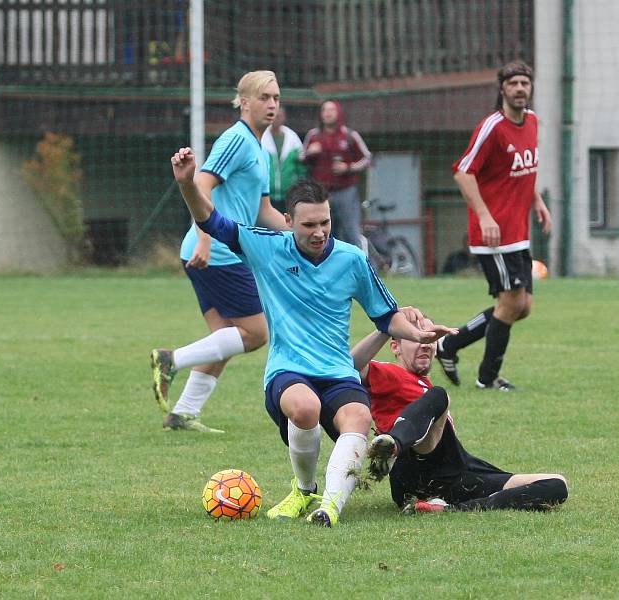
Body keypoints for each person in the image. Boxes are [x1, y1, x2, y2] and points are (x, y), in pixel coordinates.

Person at [168, 160, 456, 527]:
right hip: (288, 371)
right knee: (305, 407)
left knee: (360, 416)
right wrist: (187, 184)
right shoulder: (266, 247)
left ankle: (330, 509)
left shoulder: (352, 259)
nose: (319, 232)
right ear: (287, 221)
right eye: (309, 225)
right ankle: (305, 490)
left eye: (325, 222)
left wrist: (416, 334)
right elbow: (211, 221)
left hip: (337, 374)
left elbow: (386, 315)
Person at [150, 70, 287, 433]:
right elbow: (201, 184)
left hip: (215, 250)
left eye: (275, 98)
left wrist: (298, 234)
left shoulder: (261, 148)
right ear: (244, 102)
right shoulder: (237, 139)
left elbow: (263, 210)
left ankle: (183, 414)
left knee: (223, 341)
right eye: (264, 98)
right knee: (256, 334)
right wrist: (208, 238)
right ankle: (171, 359)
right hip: (217, 251)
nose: (272, 104)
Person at [351, 312, 568, 513]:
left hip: (454, 474)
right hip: (414, 468)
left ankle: (451, 508)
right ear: (396, 346)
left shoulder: (422, 385)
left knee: (556, 485)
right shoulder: (389, 373)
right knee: (440, 396)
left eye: (430, 338)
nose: (426, 344)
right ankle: (393, 444)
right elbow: (350, 365)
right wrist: (386, 325)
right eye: (417, 338)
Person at [436, 60, 551, 392]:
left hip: (518, 233)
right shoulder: (492, 127)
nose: (519, 89)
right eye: (513, 83)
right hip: (494, 234)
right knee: (511, 303)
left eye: (524, 84)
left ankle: (450, 346)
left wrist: (537, 201)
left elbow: (523, 170)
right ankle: (487, 379)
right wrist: (485, 216)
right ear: (502, 89)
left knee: (522, 307)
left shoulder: (531, 122)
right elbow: (462, 172)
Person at [300, 100, 372, 248]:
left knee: (351, 231)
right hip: (322, 194)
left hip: (345, 192)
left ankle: (360, 268)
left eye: (331, 110)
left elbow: (367, 158)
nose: (327, 113)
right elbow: (301, 158)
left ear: (338, 113)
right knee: (326, 234)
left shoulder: (350, 135)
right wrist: (310, 153)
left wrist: (348, 167)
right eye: (324, 110)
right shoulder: (314, 136)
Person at [261, 106, 307, 213]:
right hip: (266, 196)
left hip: (288, 196)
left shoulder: (293, 138)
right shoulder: (262, 137)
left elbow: (300, 167)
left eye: (279, 116)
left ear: (284, 117)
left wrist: (299, 190)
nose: (276, 118)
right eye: (273, 115)